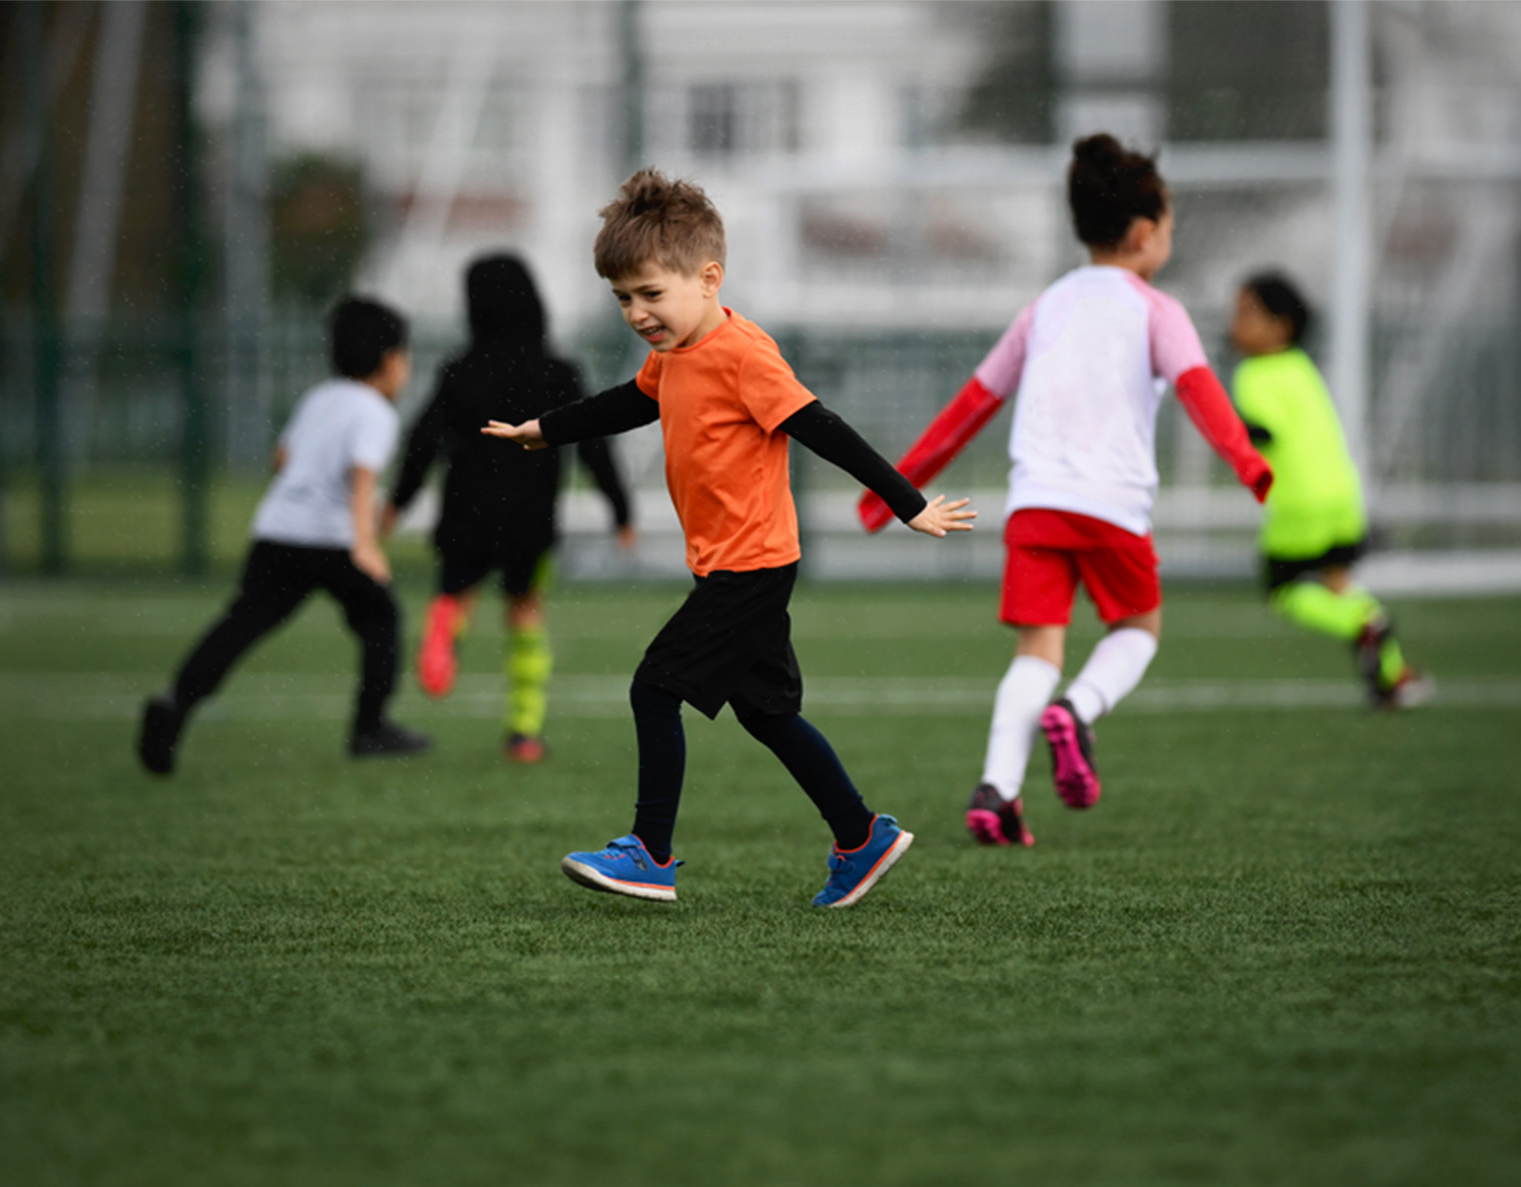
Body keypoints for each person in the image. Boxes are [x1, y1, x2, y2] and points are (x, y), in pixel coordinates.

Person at [486, 168, 979, 908]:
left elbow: (825, 428)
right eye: (623, 298)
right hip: (731, 564)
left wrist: (906, 504)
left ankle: (648, 854)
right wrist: (546, 430)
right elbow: (631, 402)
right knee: (768, 713)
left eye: (651, 294)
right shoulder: (675, 354)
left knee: (654, 689)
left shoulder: (744, 354)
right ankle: (860, 834)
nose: (636, 313)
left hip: (750, 567)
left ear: (708, 278)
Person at [855, 134, 1274, 849]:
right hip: (1111, 506)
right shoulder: (1157, 311)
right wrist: (1249, 466)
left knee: (1035, 651)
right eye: (1169, 224)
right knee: (1138, 632)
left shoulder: (1044, 306)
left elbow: (972, 405)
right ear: (1145, 233)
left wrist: (889, 490)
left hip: (1036, 506)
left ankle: (998, 791)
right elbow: (1200, 391)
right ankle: (1078, 711)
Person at [136, 297, 431, 773]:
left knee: (241, 624)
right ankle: (370, 728)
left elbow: (282, 459)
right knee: (382, 621)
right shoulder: (376, 412)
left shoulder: (319, 399)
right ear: (390, 360)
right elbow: (362, 477)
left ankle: (175, 703)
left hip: (276, 532)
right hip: (332, 540)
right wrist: (366, 544)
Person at [384, 252, 638, 764]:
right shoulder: (558, 372)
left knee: (458, 592)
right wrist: (620, 508)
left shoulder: (460, 371)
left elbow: (423, 440)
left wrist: (398, 501)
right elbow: (594, 443)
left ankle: (443, 630)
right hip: (530, 514)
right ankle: (524, 730)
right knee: (525, 613)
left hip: (466, 510)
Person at [1226, 270, 1430, 708]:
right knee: (1341, 583)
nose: (1234, 323)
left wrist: (1227, 429)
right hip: (1343, 496)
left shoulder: (1255, 374)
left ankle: (1361, 626)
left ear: (1280, 325)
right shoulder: (1302, 367)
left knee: (1283, 590)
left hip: (1301, 503)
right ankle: (1392, 677)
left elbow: (1266, 432)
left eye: (1246, 313)